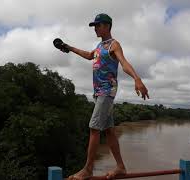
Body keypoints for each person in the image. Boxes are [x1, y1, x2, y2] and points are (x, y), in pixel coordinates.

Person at [57, 13, 149, 180]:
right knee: (109, 132)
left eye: (98, 25)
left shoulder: (114, 45)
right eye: (94, 26)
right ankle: (121, 167)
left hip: (107, 91)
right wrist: (68, 47)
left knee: (94, 128)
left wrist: (137, 78)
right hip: (98, 93)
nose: (95, 29)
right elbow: (88, 55)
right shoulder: (100, 46)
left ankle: (88, 169)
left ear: (107, 26)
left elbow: (124, 63)